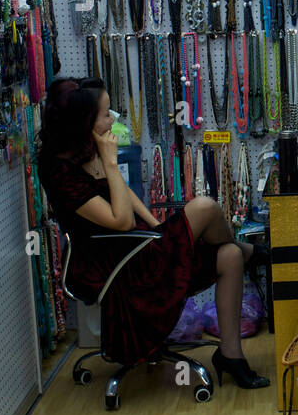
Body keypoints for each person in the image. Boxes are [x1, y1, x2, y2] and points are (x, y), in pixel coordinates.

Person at [36, 77, 271, 389]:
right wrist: (109, 161)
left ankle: (232, 356)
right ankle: (251, 252)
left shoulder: (87, 147)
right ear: (83, 124)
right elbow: (121, 222)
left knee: (227, 256)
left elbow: (122, 196)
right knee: (204, 207)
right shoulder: (58, 171)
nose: (113, 119)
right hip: (114, 266)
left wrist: (157, 228)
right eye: (106, 115)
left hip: (139, 247)